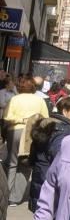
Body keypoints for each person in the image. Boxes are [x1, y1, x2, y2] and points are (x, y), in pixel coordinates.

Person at [28, 97, 70, 211]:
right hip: (51, 177)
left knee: (42, 212)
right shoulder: (63, 130)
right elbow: (59, 155)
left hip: (40, 172)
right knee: (51, 215)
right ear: (65, 111)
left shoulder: (48, 124)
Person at [5, 76, 51, 205]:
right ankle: (14, 197)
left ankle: (5, 192)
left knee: (12, 163)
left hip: (15, 131)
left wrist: (21, 119)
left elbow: (7, 116)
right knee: (26, 165)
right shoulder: (40, 100)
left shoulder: (14, 99)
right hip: (32, 133)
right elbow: (45, 118)